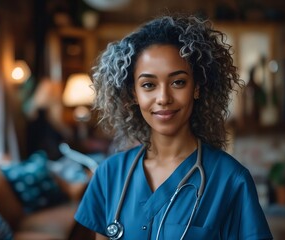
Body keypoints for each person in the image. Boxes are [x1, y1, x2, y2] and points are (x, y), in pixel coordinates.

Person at [74, 14, 273, 239]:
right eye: (148, 85)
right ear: (134, 94)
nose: (163, 98)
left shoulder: (231, 180)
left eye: (178, 82)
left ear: (197, 87)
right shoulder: (109, 175)